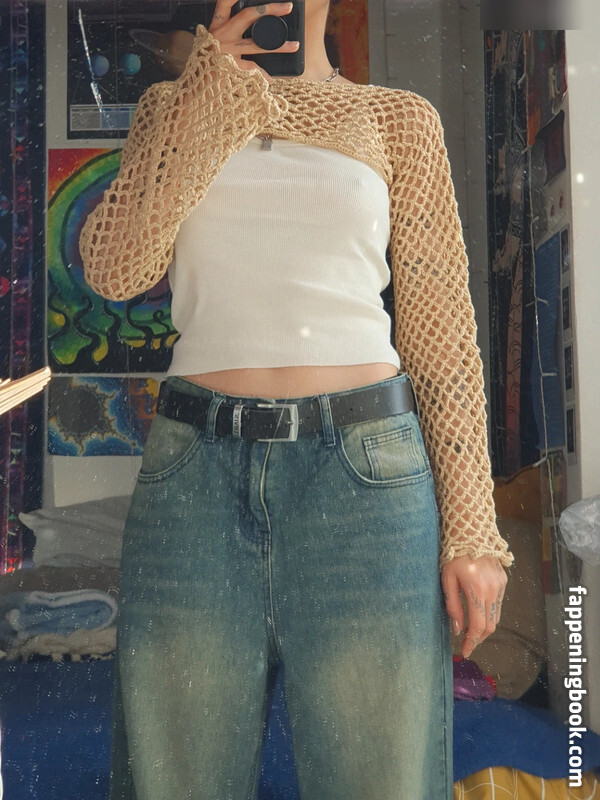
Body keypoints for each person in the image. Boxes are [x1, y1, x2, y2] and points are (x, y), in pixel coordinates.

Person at [79, 1, 513, 798]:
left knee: (379, 781)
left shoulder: (397, 119)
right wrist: (208, 90)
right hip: (195, 477)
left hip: (365, 481)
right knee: (174, 780)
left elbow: (442, 333)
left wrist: (473, 529)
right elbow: (116, 269)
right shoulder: (173, 107)